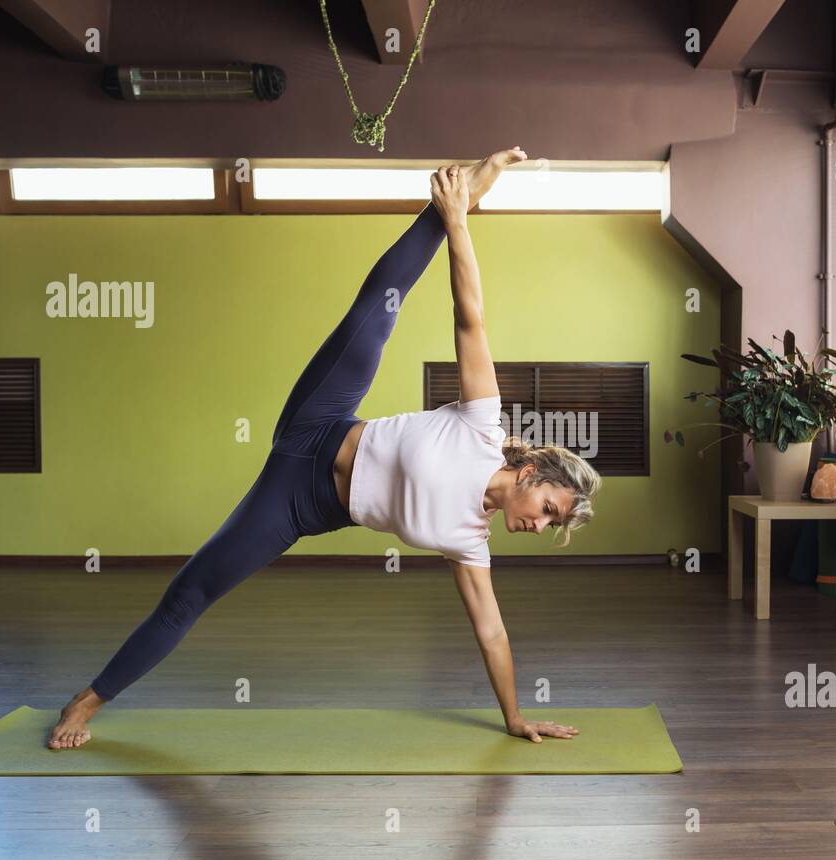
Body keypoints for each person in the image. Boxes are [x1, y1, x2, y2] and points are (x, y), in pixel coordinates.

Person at [47, 148, 601, 750]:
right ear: (526, 473)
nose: (541, 525)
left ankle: (86, 699)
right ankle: (452, 203)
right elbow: (471, 319)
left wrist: (516, 717)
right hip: (322, 421)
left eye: (554, 524)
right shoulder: (482, 426)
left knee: (193, 590)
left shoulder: (470, 541)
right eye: (550, 508)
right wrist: (459, 223)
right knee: (375, 316)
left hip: (300, 504)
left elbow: (491, 632)